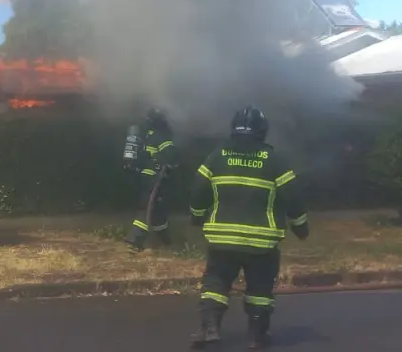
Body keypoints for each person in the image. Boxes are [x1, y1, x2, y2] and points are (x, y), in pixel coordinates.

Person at [188, 105, 309, 350]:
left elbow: (198, 188)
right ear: (262, 130)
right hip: (261, 243)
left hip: (223, 239)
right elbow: (293, 197)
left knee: (216, 282)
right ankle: (256, 336)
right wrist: (301, 226)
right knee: (260, 288)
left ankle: (210, 328)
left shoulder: (217, 155)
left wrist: (197, 216)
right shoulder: (275, 159)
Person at [123, 107, 179, 253]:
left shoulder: (146, 135)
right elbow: (171, 156)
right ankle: (134, 241)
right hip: (155, 179)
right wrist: (172, 166)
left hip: (144, 177)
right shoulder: (161, 137)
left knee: (158, 211)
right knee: (147, 209)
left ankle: (165, 241)